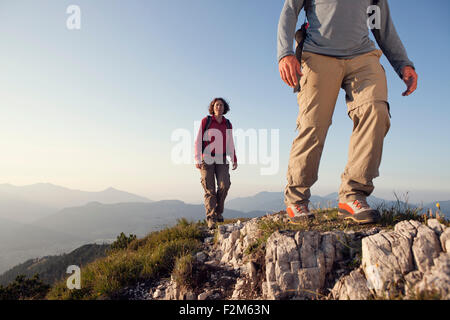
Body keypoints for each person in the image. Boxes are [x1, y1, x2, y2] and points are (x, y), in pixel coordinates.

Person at [277, 0, 418, 224]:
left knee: (376, 110)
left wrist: (403, 64)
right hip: (318, 54)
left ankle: (353, 195)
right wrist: (285, 53)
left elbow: (382, 27)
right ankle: (297, 199)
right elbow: (289, 11)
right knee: (313, 124)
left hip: (363, 56)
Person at [195, 97, 238, 229]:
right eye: (216, 105)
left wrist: (234, 158)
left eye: (221, 105)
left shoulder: (228, 124)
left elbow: (230, 143)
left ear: (225, 108)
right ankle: (211, 218)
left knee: (225, 185)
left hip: (222, 159)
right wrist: (197, 158)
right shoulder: (206, 121)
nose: (219, 107)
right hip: (206, 158)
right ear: (213, 107)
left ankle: (219, 212)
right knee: (210, 189)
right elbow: (198, 140)